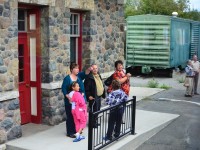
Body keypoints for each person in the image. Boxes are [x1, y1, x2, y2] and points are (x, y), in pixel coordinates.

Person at [61, 63, 91, 138]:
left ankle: (76, 130)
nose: (77, 69)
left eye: (78, 68)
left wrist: (83, 95)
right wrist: (68, 96)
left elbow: (85, 74)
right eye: (75, 68)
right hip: (70, 102)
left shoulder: (79, 77)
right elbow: (64, 89)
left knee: (77, 116)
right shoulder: (67, 78)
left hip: (78, 103)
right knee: (70, 117)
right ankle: (70, 132)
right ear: (71, 69)